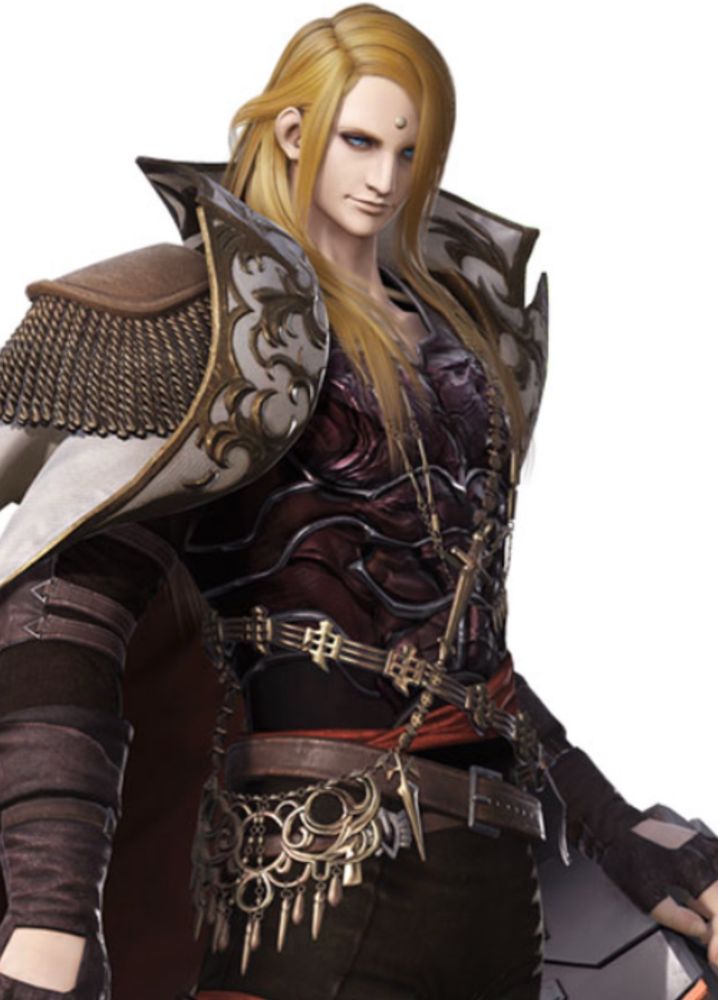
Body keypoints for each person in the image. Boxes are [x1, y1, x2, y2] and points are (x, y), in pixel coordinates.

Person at [0, 5, 717, 999]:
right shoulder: (211, 330)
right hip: (314, 890)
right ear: (295, 132)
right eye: (360, 141)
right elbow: (60, 612)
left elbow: (465, 662)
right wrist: (49, 912)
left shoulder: (460, 346)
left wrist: (613, 828)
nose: (385, 177)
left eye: (408, 150)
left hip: (495, 891)